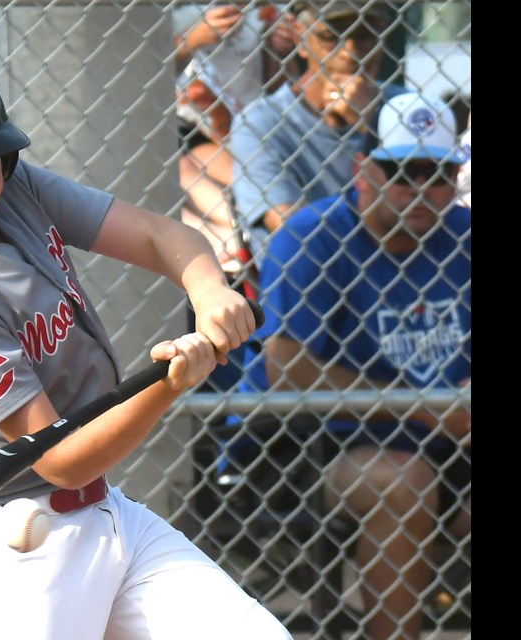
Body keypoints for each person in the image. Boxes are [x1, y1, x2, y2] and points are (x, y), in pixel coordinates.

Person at [0, 47, 291, 639]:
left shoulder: (14, 188)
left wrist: (209, 289)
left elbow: (161, 237)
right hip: (16, 549)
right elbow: (60, 458)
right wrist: (168, 388)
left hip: (106, 515)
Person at [228, 91, 470, 640]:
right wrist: (430, 411)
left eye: (436, 175)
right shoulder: (316, 235)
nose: (420, 191)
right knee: (401, 481)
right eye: (402, 172)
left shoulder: (464, 235)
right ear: (364, 170)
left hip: (438, 437)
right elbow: (288, 369)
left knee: (414, 474)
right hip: (303, 441)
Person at [228, 0, 405, 272]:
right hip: (313, 285)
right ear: (300, 37)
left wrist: (368, 126)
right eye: (331, 37)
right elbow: (298, 233)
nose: (351, 52)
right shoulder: (260, 124)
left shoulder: (404, 107)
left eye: (365, 34)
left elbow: (430, 212)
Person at [173, 2, 298, 273]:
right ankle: (230, 236)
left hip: (247, 125)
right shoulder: (181, 12)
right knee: (187, 168)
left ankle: (236, 234)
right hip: (193, 126)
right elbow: (151, 65)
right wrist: (192, 39)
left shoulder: (265, 13)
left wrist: (277, 48)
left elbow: (280, 86)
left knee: (238, 175)